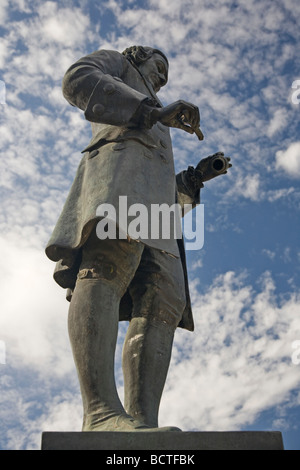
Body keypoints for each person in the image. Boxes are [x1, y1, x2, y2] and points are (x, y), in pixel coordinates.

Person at [45, 45, 231, 432]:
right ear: (139, 56)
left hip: (157, 215)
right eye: (159, 67)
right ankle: (99, 412)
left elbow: (161, 189)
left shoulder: (162, 112)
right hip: (117, 185)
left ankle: (143, 422)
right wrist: (149, 110)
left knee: (165, 296)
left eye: (165, 76)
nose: (162, 77)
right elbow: (76, 79)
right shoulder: (120, 66)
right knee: (108, 267)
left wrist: (194, 179)